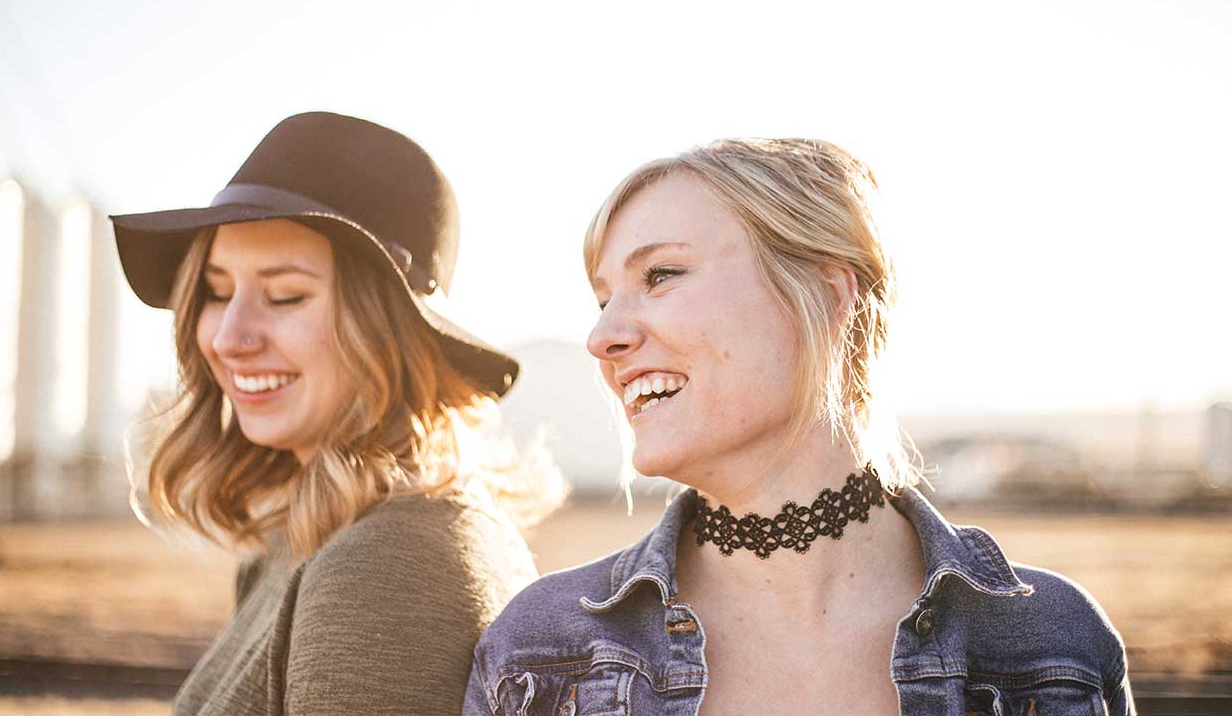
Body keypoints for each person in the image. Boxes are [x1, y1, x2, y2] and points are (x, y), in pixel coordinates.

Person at [463, 139, 1134, 716]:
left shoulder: (1054, 644)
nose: (602, 336)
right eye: (604, 299)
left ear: (828, 294)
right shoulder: (539, 652)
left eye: (661, 275)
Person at [112, 112, 554, 716]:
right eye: (216, 292)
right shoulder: (310, 539)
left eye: (284, 295)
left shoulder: (388, 568)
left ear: (390, 331)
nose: (228, 337)